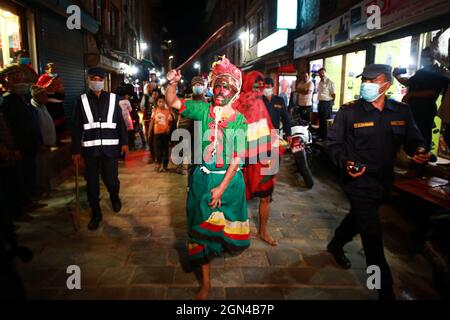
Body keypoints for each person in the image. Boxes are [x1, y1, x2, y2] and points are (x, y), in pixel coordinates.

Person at [327, 64, 430, 300]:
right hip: (358, 181)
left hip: (384, 182)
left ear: (387, 84)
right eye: (366, 80)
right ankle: (382, 288)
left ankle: (337, 242)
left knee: (360, 218)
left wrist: (421, 151)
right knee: (372, 235)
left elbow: (415, 140)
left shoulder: (401, 111)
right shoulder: (349, 111)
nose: (368, 84)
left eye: (374, 81)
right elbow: (333, 144)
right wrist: (346, 163)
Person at [166, 57, 250, 300]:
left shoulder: (240, 121)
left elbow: (237, 159)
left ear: (235, 91)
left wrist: (222, 189)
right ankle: (206, 283)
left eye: (226, 87)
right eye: (218, 86)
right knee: (199, 232)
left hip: (228, 185)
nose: (220, 91)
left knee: (222, 230)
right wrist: (172, 83)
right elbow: (172, 101)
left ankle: (216, 249)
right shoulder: (202, 109)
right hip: (202, 181)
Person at [71, 67, 128, 231]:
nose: (96, 81)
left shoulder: (112, 98)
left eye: (99, 79)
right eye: (93, 78)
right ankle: (96, 213)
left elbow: (120, 122)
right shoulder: (80, 100)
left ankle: (114, 196)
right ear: (88, 80)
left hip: (110, 148)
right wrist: (75, 151)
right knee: (92, 184)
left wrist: (124, 142)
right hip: (90, 151)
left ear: (103, 81)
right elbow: (76, 127)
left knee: (111, 179)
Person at [0, 65, 41, 221]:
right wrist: (14, 148)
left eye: (21, 75)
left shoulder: (24, 100)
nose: (20, 79)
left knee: (29, 176)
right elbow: (7, 129)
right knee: (18, 180)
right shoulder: (7, 101)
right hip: (18, 149)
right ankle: (18, 210)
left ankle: (28, 202)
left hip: (30, 146)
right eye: (15, 76)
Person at [393, 47, 450, 150]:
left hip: (424, 110)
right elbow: (409, 82)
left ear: (434, 56)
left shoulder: (438, 71)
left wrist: (412, 94)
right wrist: (397, 76)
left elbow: (432, 92)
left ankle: (421, 159)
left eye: (427, 55)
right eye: (423, 55)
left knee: (422, 136)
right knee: (411, 135)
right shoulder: (421, 72)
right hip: (413, 109)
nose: (424, 58)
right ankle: (410, 154)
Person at [257, 77, 291, 246]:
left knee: (269, 184)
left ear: (274, 86)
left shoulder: (279, 101)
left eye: (270, 86)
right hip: (256, 143)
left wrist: (290, 134)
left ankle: (263, 230)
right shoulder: (256, 100)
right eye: (265, 86)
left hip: (274, 141)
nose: (268, 88)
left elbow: (286, 118)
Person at [30, 85, 56, 197]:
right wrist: (40, 143)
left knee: (46, 169)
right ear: (37, 96)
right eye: (44, 95)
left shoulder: (43, 106)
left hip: (47, 144)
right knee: (40, 170)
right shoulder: (33, 108)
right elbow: (34, 129)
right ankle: (40, 191)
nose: (46, 97)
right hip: (41, 146)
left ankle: (47, 188)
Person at [36, 63, 65, 143]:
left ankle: (59, 139)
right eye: (52, 69)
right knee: (51, 122)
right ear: (46, 70)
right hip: (49, 105)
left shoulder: (58, 78)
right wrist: (49, 84)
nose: (54, 70)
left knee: (60, 122)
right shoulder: (43, 78)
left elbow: (61, 89)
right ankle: (51, 141)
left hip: (58, 104)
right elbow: (38, 89)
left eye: (55, 69)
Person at [150, 95, 172, 173]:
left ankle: (165, 166)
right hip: (156, 134)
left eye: (162, 101)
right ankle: (158, 164)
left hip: (165, 134)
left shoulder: (168, 111)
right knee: (157, 150)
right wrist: (150, 132)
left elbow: (170, 122)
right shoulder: (155, 111)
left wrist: (169, 128)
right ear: (157, 103)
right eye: (159, 102)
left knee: (165, 150)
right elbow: (152, 122)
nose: (161, 103)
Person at [141, 89, 160, 163]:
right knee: (150, 139)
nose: (154, 95)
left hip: (159, 126)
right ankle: (153, 156)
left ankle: (158, 158)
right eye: (153, 94)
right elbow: (142, 107)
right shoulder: (149, 102)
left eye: (156, 93)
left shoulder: (162, 103)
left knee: (157, 142)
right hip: (150, 123)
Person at [317, 68, 336, 140]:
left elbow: (333, 94)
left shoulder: (329, 82)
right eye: (320, 73)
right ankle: (321, 136)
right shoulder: (320, 82)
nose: (321, 75)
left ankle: (326, 137)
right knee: (321, 120)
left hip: (327, 103)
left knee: (326, 120)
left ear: (325, 73)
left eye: (322, 73)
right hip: (321, 103)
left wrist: (332, 103)